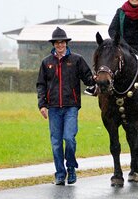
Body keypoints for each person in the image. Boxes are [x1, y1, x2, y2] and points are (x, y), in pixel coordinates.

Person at [37, 27, 96, 185]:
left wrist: (97, 81)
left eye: (62, 42)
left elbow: (88, 78)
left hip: (71, 106)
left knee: (69, 139)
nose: (60, 45)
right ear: (54, 44)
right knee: (56, 143)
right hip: (54, 108)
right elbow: (41, 85)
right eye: (57, 42)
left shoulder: (76, 60)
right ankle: (60, 174)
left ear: (66, 43)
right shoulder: (46, 62)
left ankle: (71, 167)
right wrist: (42, 105)